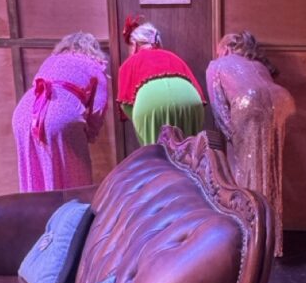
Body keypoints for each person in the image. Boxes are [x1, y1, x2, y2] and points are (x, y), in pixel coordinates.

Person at [206, 31, 294, 257]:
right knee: (270, 168)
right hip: (281, 101)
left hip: (248, 104)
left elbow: (218, 107)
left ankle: (249, 239)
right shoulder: (257, 64)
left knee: (244, 167)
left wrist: (232, 135)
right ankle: (272, 241)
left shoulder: (217, 65)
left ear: (224, 48)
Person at [12, 31, 109, 192]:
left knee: (34, 167)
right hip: (59, 112)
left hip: (23, 112)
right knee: (74, 170)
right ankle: (72, 211)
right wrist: (90, 133)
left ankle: (36, 213)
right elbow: (98, 108)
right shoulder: (94, 66)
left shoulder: (51, 60)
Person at [116, 17, 205, 146]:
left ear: (135, 44)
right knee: (189, 152)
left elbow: (125, 103)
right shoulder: (174, 57)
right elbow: (198, 93)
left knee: (156, 154)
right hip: (190, 101)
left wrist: (138, 118)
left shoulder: (131, 62)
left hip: (151, 105)